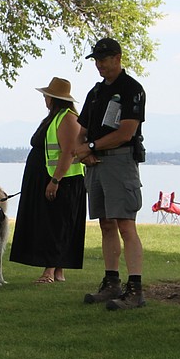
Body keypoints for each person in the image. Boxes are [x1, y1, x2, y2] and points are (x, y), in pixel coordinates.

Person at [74, 37, 147, 310]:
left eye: (104, 60)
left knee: (125, 224)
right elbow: (82, 129)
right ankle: (111, 281)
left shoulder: (132, 89)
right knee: (105, 224)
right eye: (97, 61)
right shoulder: (95, 93)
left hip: (120, 162)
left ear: (117, 58)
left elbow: (125, 132)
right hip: (96, 165)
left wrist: (90, 146)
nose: (100, 65)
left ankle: (135, 288)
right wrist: (85, 150)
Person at [9, 77, 86, 284]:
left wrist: (55, 179)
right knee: (54, 223)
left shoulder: (67, 118)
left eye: (46, 96)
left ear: (53, 98)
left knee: (55, 224)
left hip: (63, 180)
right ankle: (58, 269)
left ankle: (49, 271)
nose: (44, 99)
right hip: (48, 177)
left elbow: (69, 151)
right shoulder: (55, 117)